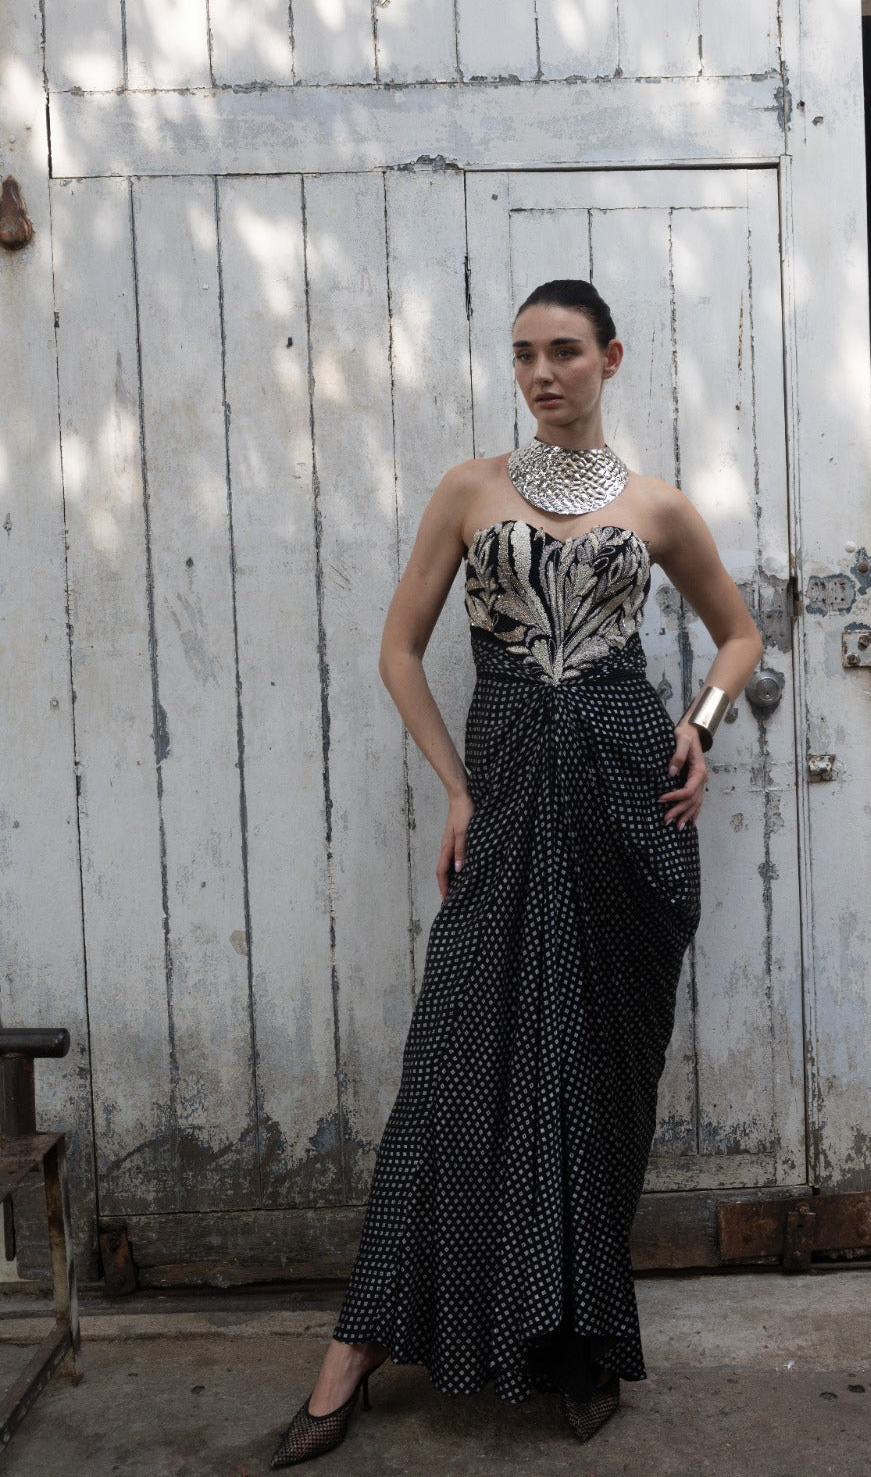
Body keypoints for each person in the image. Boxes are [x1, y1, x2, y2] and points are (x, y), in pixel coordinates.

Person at [270, 278, 763, 1467]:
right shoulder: (468, 489)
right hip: (505, 795)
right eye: (524, 354)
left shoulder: (656, 506)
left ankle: (580, 1339)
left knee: (597, 1077)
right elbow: (398, 652)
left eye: (565, 352)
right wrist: (456, 787)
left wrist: (697, 723)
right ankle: (357, 1345)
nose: (542, 373)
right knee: (453, 1065)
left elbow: (739, 634)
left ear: (610, 358)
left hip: (627, 800)